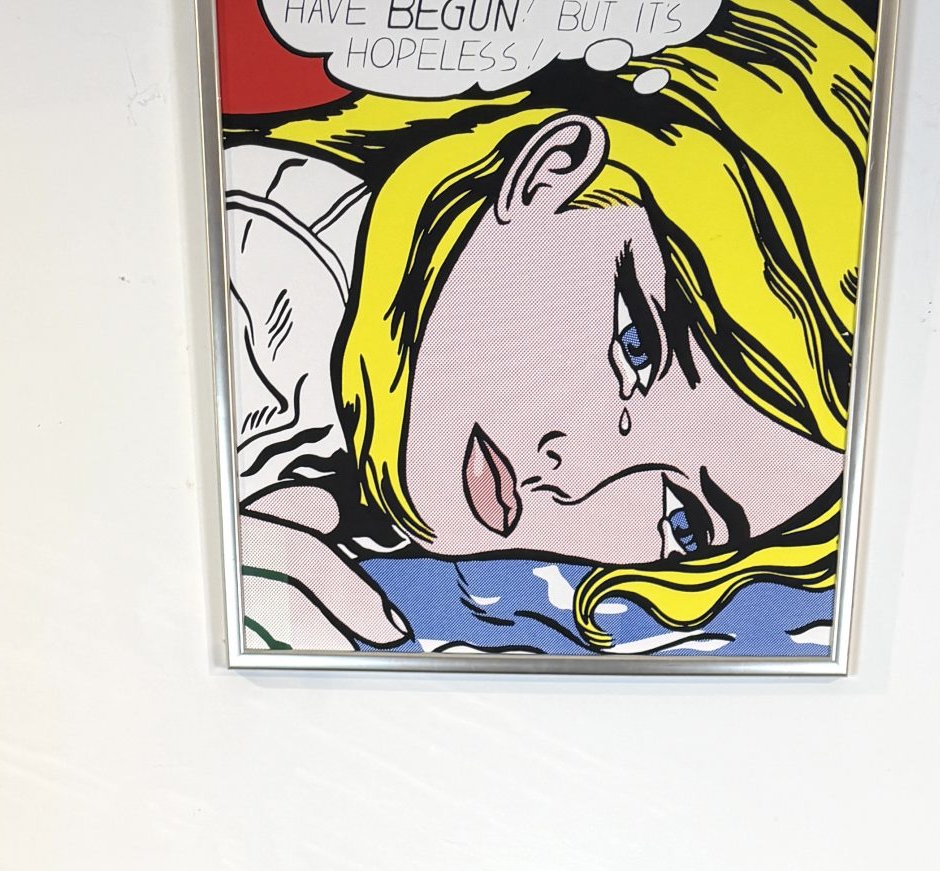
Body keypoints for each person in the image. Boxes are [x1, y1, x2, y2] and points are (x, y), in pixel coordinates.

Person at [223, 0, 876, 651]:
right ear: (550, 173)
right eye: (637, 346)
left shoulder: (366, 457)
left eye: (685, 521)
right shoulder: (263, 274)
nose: (577, 477)